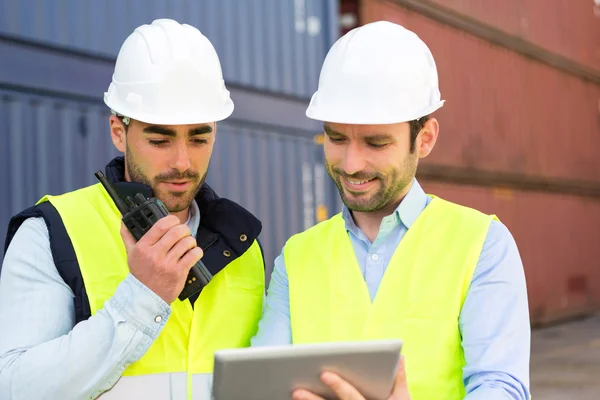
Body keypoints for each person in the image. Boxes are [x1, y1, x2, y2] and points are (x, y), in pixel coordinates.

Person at [252, 21, 531, 400]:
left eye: (375, 143)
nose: (351, 164)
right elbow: (260, 385)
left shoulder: (483, 246)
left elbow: (502, 388)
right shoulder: (297, 257)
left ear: (426, 138)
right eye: (336, 138)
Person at [0, 19, 265, 399]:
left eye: (199, 138)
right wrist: (143, 296)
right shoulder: (52, 233)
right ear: (118, 131)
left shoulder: (242, 245)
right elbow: (14, 388)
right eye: (160, 139)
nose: (182, 162)